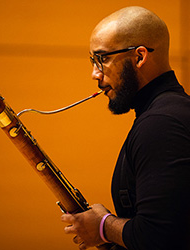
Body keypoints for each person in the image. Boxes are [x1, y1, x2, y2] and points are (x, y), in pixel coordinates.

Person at [61, 6, 190, 250]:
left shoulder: (161, 124)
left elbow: (160, 237)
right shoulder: (170, 112)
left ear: (140, 56)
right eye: (93, 60)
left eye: (103, 59)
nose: (94, 74)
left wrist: (104, 227)